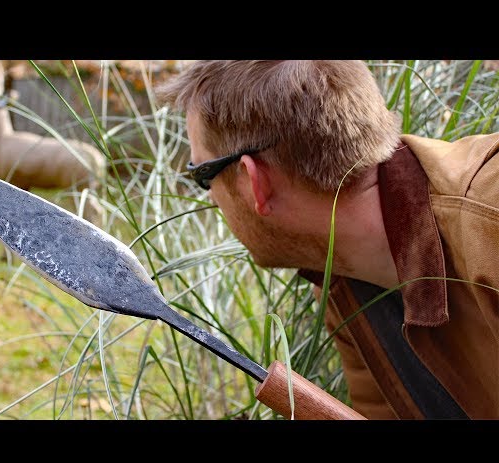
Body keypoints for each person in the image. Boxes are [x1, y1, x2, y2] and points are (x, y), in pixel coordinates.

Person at [156, 60, 499, 420]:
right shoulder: (344, 281)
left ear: (252, 180)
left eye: (203, 176)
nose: (209, 197)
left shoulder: (488, 217)